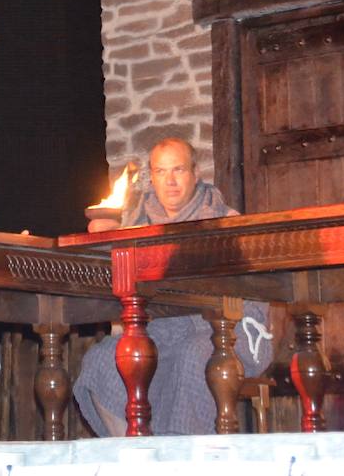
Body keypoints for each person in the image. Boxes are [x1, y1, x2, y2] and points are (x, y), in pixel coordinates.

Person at [74, 137, 273, 436]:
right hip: (161, 333)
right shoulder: (139, 228)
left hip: (224, 331)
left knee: (194, 356)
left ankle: (186, 460)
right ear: (151, 178)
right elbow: (118, 285)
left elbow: (253, 289)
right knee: (103, 359)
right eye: (161, 172)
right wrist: (104, 243)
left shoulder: (223, 221)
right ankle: (135, 451)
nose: (170, 181)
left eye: (178, 170)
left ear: (195, 173)